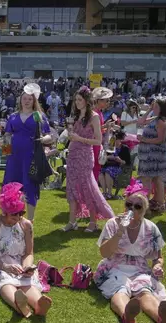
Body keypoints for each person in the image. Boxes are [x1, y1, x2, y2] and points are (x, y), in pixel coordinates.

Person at [95, 179, 166, 323]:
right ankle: (127, 315)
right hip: (114, 265)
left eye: (137, 207)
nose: (132, 209)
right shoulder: (113, 223)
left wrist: (158, 265)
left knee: (145, 291)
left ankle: (161, 319)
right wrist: (120, 231)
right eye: (128, 205)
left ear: (144, 211)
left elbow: (158, 257)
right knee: (120, 289)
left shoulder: (151, 228)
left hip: (139, 269)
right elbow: (105, 253)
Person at [0, 182, 52, 318]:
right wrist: (5, 267)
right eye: (14, 215)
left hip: (18, 262)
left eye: (21, 214)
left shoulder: (26, 225)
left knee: (27, 281)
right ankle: (18, 305)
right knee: (4, 281)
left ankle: (38, 304)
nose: (18, 218)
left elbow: (29, 253)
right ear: (4, 212)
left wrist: (27, 266)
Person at [63, 86, 115, 232]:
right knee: (72, 187)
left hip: (85, 156)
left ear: (87, 101)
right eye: (76, 100)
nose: (77, 102)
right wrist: (71, 134)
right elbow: (73, 135)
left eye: (80, 100)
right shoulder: (76, 116)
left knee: (88, 188)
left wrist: (79, 138)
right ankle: (72, 221)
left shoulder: (94, 117)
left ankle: (93, 221)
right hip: (72, 155)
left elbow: (98, 141)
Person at [3, 84, 50, 221]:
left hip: (31, 156)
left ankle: (30, 220)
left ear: (34, 101)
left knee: (29, 185)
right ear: (20, 100)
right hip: (14, 157)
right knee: (11, 185)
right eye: (25, 98)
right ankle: (10, 217)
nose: (27, 101)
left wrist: (42, 139)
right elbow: (7, 135)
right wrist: (6, 152)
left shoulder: (38, 116)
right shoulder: (12, 116)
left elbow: (49, 135)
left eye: (30, 99)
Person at [137, 97, 166, 213]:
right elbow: (141, 122)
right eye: (154, 106)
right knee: (156, 180)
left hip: (154, 155)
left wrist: (144, 139)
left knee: (149, 180)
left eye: (156, 107)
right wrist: (149, 109)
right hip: (149, 155)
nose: (154, 108)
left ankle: (148, 208)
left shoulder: (161, 121)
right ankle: (158, 206)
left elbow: (160, 140)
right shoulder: (155, 118)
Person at [99, 131, 131, 200]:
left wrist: (120, 160)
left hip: (119, 167)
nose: (115, 141)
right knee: (100, 173)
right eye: (114, 139)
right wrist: (108, 157)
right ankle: (105, 193)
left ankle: (109, 193)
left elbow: (128, 162)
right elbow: (104, 157)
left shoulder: (125, 148)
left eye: (117, 139)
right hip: (107, 165)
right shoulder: (110, 147)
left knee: (108, 171)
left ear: (120, 140)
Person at [91, 87, 114, 182]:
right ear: (98, 101)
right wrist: (106, 126)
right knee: (95, 166)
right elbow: (93, 130)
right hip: (93, 143)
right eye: (106, 100)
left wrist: (106, 126)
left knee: (97, 166)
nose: (108, 103)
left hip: (97, 142)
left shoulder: (99, 112)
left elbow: (99, 128)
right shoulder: (95, 112)